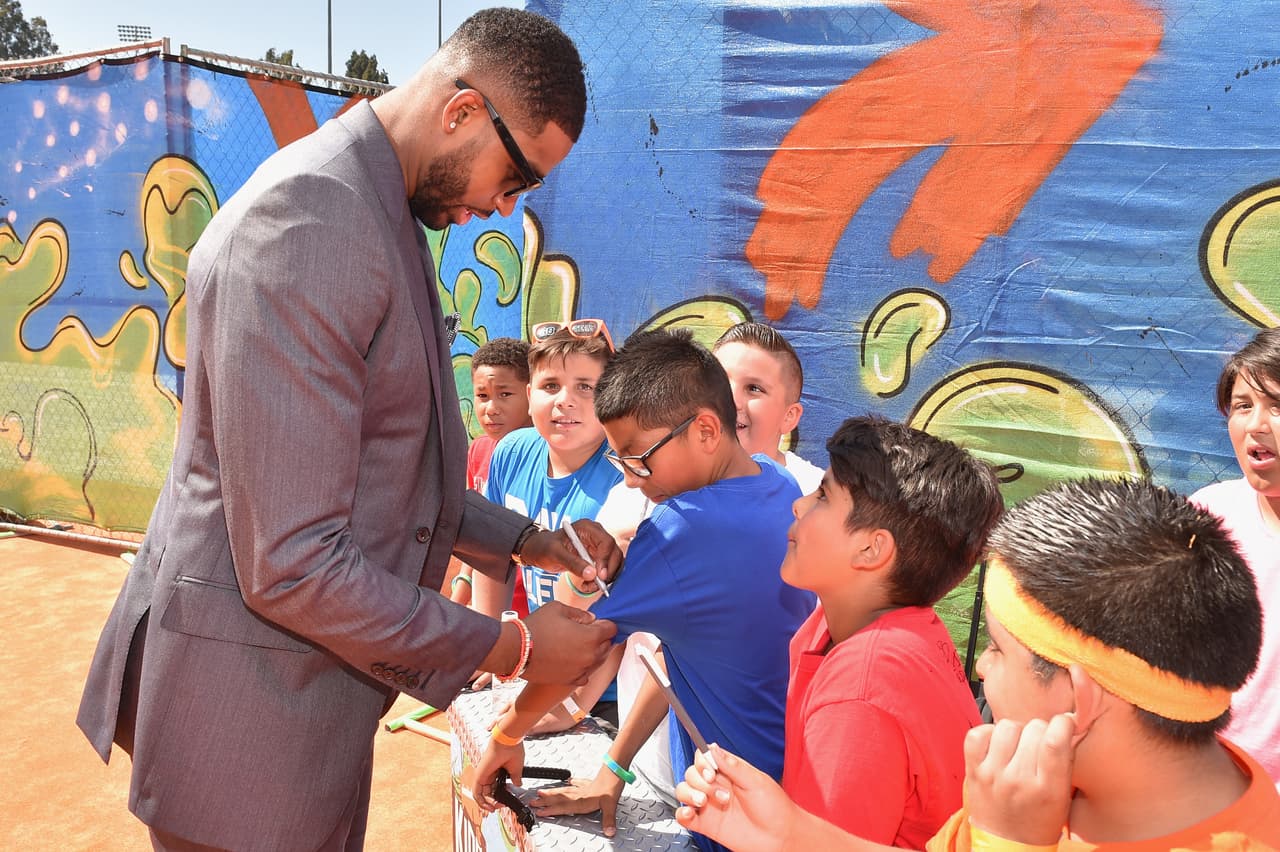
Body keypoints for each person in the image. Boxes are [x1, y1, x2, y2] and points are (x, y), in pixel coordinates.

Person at [75, 10, 622, 851]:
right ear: (462, 112)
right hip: (245, 728)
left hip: (299, 709)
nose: (503, 207)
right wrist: (510, 645)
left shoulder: (378, 206)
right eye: (514, 177)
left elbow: (390, 466)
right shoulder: (312, 222)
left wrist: (530, 542)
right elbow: (293, 561)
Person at [675, 478, 1280, 851]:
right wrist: (790, 835)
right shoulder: (1037, 781)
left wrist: (1008, 843)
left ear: (1076, 697)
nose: (982, 669)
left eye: (996, 647)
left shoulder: (1020, 812)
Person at [471, 328, 815, 851]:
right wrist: (615, 767)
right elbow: (682, 649)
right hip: (780, 784)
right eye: (620, 463)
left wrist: (505, 736)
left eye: (639, 458)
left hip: (735, 810)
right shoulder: (775, 481)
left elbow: (577, 649)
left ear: (705, 430)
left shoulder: (682, 528)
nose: (632, 480)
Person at [779, 416, 1003, 845]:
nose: (799, 505)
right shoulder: (880, 628)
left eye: (823, 495)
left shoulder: (862, 687)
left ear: (871, 549)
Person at [1191, 327, 1280, 783]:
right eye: (1243, 405)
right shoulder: (1209, 515)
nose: (1256, 425)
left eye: (1277, 405)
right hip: (1207, 782)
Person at [451, 337, 533, 608]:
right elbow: (476, 541)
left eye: (504, 394)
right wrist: (458, 601)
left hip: (536, 610)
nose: (491, 409)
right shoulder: (478, 451)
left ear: (531, 393)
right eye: (482, 396)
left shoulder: (548, 457)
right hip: (490, 610)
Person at [714, 322, 824, 494]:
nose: (730, 400)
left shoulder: (815, 495)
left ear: (788, 417)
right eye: (718, 381)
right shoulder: (672, 482)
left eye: (754, 388)